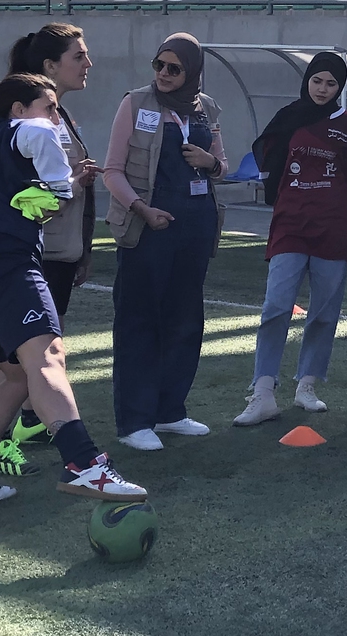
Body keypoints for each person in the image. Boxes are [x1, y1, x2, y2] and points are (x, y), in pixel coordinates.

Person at [0, 73, 145, 508]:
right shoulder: (32, 129)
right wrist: (60, 185)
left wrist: (50, 195)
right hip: (1, 261)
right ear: (18, 109)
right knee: (47, 357)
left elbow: (17, 201)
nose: (56, 118)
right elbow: (42, 152)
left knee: (15, 375)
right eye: (50, 107)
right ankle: (84, 464)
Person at [101, 33, 227, 452]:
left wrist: (210, 162)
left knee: (186, 319)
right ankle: (134, 421)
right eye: (159, 65)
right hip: (147, 226)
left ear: (192, 72)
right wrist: (141, 208)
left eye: (175, 68)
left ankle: (170, 411)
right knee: (139, 321)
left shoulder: (206, 108)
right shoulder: (135, 103)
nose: (164, 74)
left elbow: (223, 166)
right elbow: (112, 171)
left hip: (196, 225)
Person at [235, 51, 347, 426]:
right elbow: (269, 160)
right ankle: (263, 392)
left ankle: (307, 385)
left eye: (331, 83)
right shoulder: (288, 117)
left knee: (324, 312)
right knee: (276, 306)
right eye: (317, 81)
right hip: (290, 224)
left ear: (340, 88)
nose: (322, 89)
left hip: (333, 228)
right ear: (307, 81)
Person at [0, 24, 99, 470]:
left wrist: (83, 251)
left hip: (59, 252)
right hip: (36, 253)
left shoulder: (59, 115)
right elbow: (31, 192)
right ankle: (0, 444)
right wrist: (75, 182)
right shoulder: (33, 122)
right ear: (49, 66)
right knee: (27, 358)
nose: (88, 63)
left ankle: (27, 423)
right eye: (79, 56)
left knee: (39, 352)